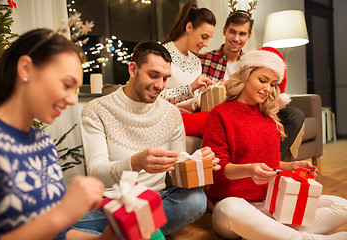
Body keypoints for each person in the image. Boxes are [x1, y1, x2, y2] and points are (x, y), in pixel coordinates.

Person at [202, 48, 347, 240]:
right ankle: (302, 238)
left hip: (273, 204)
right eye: (262, 80)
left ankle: (267, 233)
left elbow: (269, 165)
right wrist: (250, 170)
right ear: (245, 76)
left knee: (342, 206)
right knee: (229, 210)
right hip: (235, 204)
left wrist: (291, 166)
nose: (268, 89)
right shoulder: (220, 114)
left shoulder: (269, 117)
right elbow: (217, 169)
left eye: (272, 84)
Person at [78, 41, 220, 236]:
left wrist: (196, 162)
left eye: (165, 78)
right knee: (59, 223)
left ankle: (122, 232)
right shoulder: (97, 110)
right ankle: (136, 231)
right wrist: (135, 162)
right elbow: (96, 172)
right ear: (133, 69)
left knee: (196, 200)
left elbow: (176, 171)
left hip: (158, 199)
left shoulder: (171, 113)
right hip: (114, 200)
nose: (160, 86)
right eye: (153, 76)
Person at [0, 28, 117, 239]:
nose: (73, 100)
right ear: (26, 69)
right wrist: (62, 214)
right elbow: (57, 221)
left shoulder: (43, 143)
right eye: (66, 85)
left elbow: (61, 234)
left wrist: (107, 238)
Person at [198, 7, 305, 161]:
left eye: (242, 34)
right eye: (232, 32)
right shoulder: (204, 60)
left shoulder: (255, 62)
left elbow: (267, 90)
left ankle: (271, 160)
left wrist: (272, 104)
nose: (236, 38)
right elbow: (198, 98)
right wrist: (216, 87)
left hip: (255, 113)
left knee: (295, 114)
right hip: (229, 115)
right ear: (224, 31)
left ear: (249, 36)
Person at [159, 2, 216, 137]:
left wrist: (212, 89)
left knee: (225, 117)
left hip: (190, 117)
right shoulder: (162, 53)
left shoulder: (196, 61)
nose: (206, 44)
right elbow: (156, 96)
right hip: (166, 117)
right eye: (204, 37)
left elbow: (195, 101)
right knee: (215, 121)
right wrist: (191, 87)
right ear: (189, 27)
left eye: (209, 39)